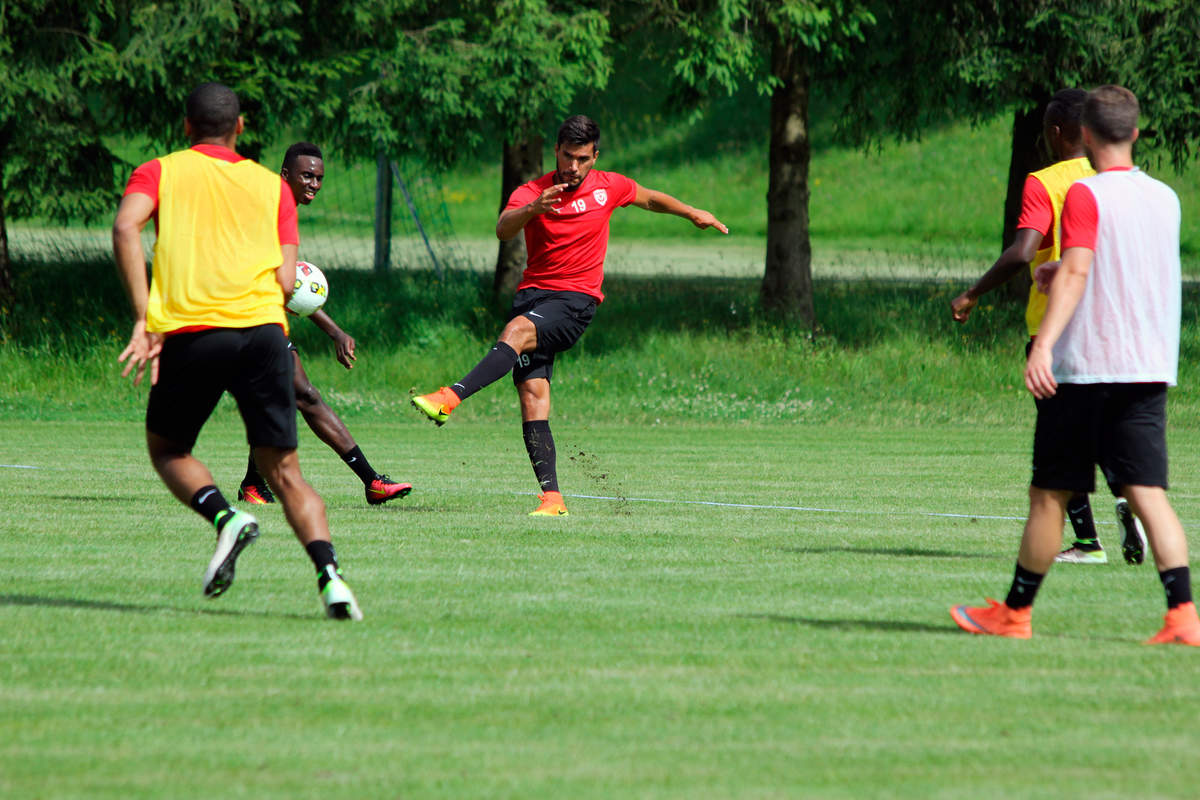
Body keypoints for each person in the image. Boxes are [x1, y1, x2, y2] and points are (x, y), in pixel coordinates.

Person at [951, 85, 1200, 644]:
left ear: (1085, 136)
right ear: (1135, 134)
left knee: (1049, 494)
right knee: (1148, 492)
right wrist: (1056, 266)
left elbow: (1083, 271)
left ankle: (1014, 615)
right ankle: (1183, 615)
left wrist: (1044, 345)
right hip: (1148, 367)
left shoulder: (1085, 194)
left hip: (1087, 366)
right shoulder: (1165, 197)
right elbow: (1122, 261)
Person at [113, 83, 362, 620]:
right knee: (287, 472)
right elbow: (284, 277)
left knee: (169, 450)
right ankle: (333, 580)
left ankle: (226, 519)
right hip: (264, 334)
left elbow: (125, 226)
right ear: (240, 128)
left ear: (186, 127)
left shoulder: (159, 170)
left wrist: (143, 317)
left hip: (193, 331)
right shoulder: (271, 188)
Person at [411, 114, 728, 516]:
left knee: (517, 331)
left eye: (582, 158)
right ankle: (553, 498)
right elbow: (503, 230)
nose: (573, 167)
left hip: (576, 300)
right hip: (533, 296)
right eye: (566, 157)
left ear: (595, 156)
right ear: (556, 152)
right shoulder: (532, 191)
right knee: (532, 395)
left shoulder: (609, 186)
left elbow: (648, 197)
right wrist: (532, 209)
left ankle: (449, 397)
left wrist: (692, 212)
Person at [951, 88, 1146, 566]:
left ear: (1057, 133)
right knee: (1101, 428)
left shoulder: (1047, 182)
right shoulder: (1115, 179)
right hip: (1108, 326)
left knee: (1061, 438)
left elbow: (1022, 251)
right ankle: (1128, 499)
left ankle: (1086, 543)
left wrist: (973, 293)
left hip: (1054, 330)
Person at [237, 142, 412, 508]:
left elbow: (284, 286)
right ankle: (372, 481)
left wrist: (334, 331)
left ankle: (254, 485)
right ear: (286, 175)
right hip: (246, 319)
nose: (314, 183)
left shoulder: (281, 207)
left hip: (262, 318)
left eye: (319, 177)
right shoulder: (269, 209)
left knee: (289, 397)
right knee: (301, 396)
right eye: (307, 175)